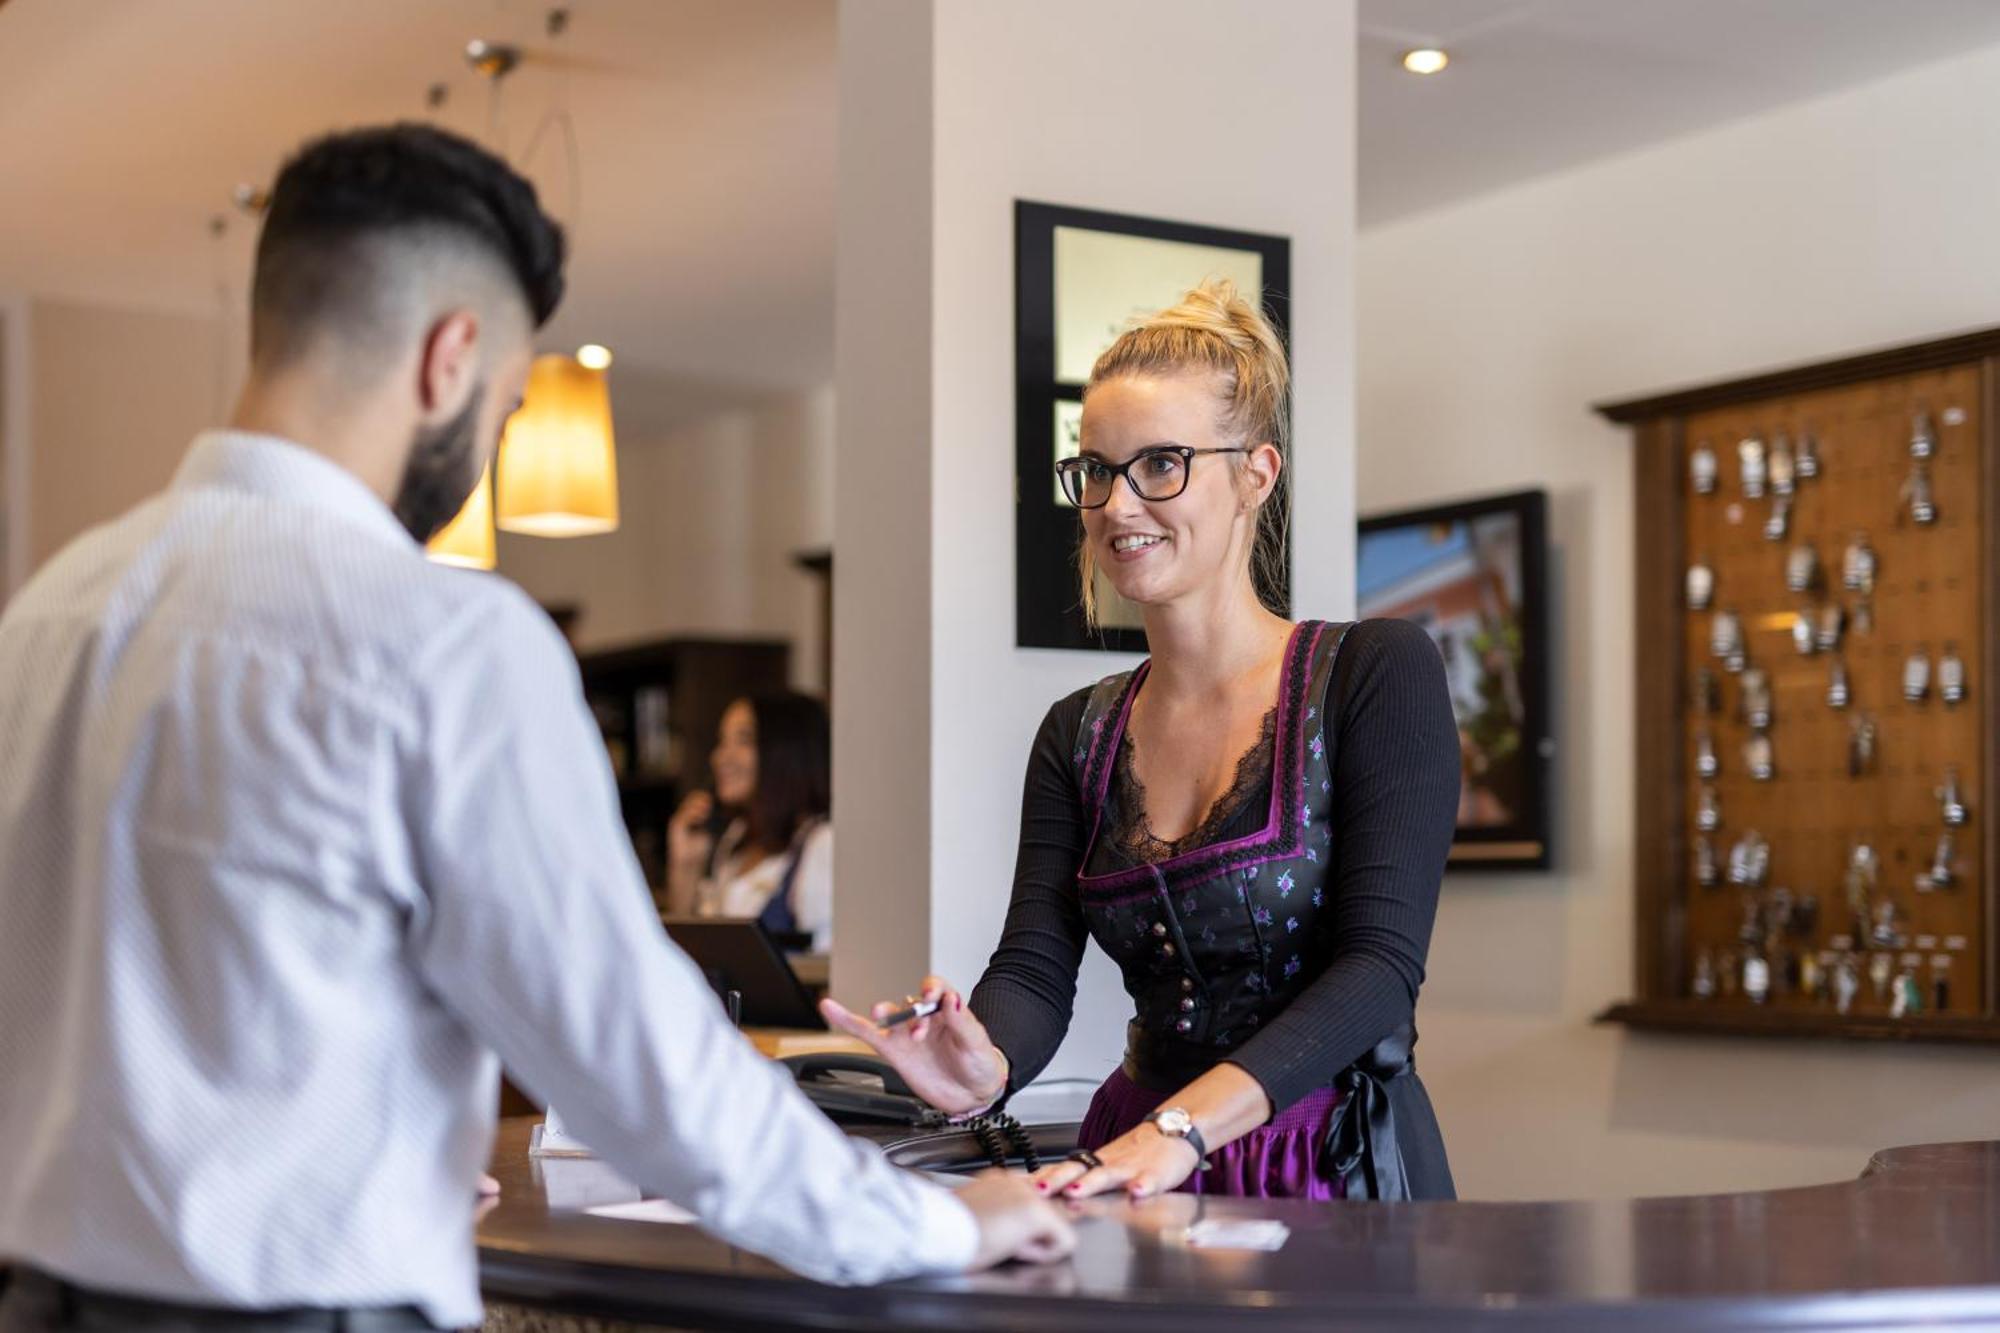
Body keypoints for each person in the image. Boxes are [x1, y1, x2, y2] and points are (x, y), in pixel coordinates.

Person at [0, 123, 1069, 1333]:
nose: (490, 438)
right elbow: (638, 1063)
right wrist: (933, 1223)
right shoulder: (441, 639)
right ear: (451, 357)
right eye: (509, 403)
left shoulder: (45, 615)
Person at [823, 280, 1459, 1204]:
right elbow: (1035, 966)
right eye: (1096, 470)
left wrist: (1185, 1127)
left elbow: (1379, 973)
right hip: (1138, 1159)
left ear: (1257, 473)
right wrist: (984, 1064)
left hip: (1326, 1161)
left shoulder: (1374, 673)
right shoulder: (1077, 732)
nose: (1118, 505)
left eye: (1161, 464)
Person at [666, 693, 835, 951]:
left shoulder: (820, 844)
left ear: (788, 749)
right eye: (722, 742)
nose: (720, 756)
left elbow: (824, 963)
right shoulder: (735, 837)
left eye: (744, 740)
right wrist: (685, 867)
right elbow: (691, 956)